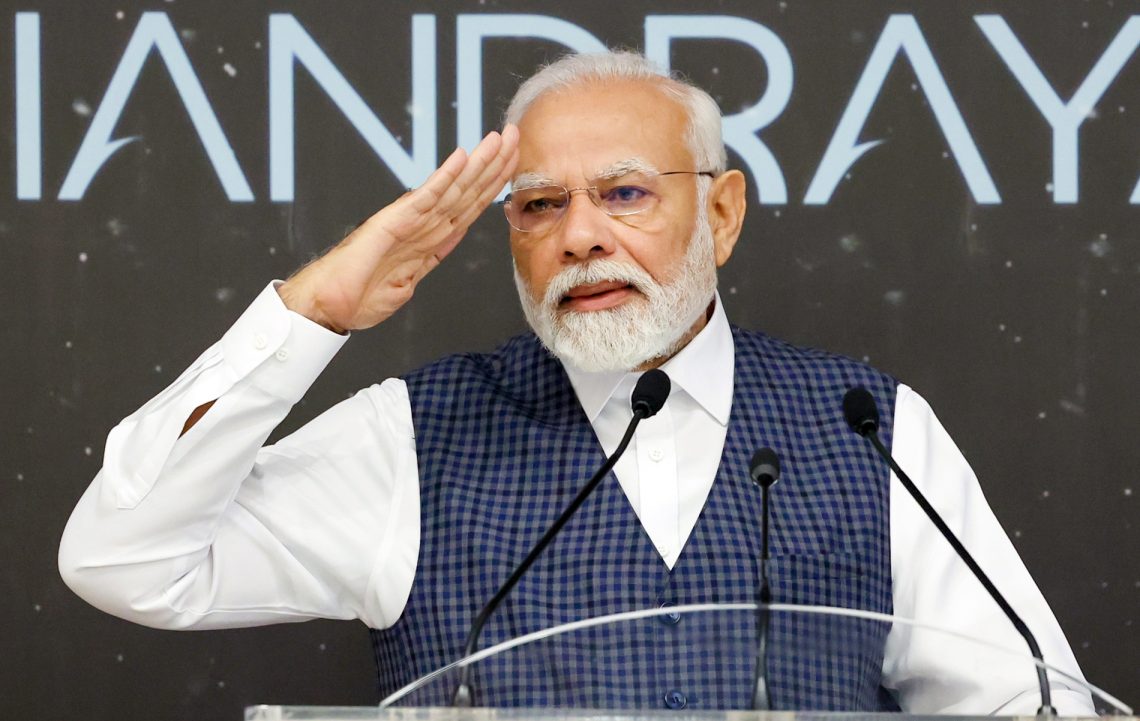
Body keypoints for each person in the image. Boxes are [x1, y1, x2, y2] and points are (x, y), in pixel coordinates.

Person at [59, 51, 1093, 713]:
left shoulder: (869, 426)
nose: (581, 235)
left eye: (625, 193)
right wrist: (310, 313)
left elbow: (1028, 703)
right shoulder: (414, 438)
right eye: (538, 205)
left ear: (722, 215)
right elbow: (127, 558)